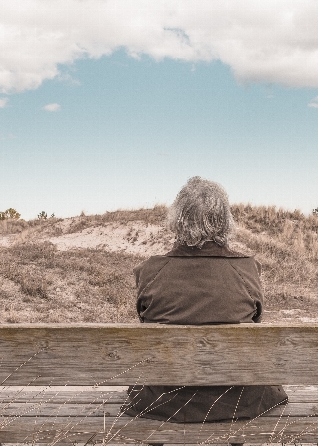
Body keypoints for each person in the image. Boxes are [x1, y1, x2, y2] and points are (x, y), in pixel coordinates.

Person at [121, 176, 288, 423]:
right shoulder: (247, 269)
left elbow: (145, 319)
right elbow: (256, 320)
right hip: (238, 399)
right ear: (223, 221)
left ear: (178, 220)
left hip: (166, 401)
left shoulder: (150, 271)